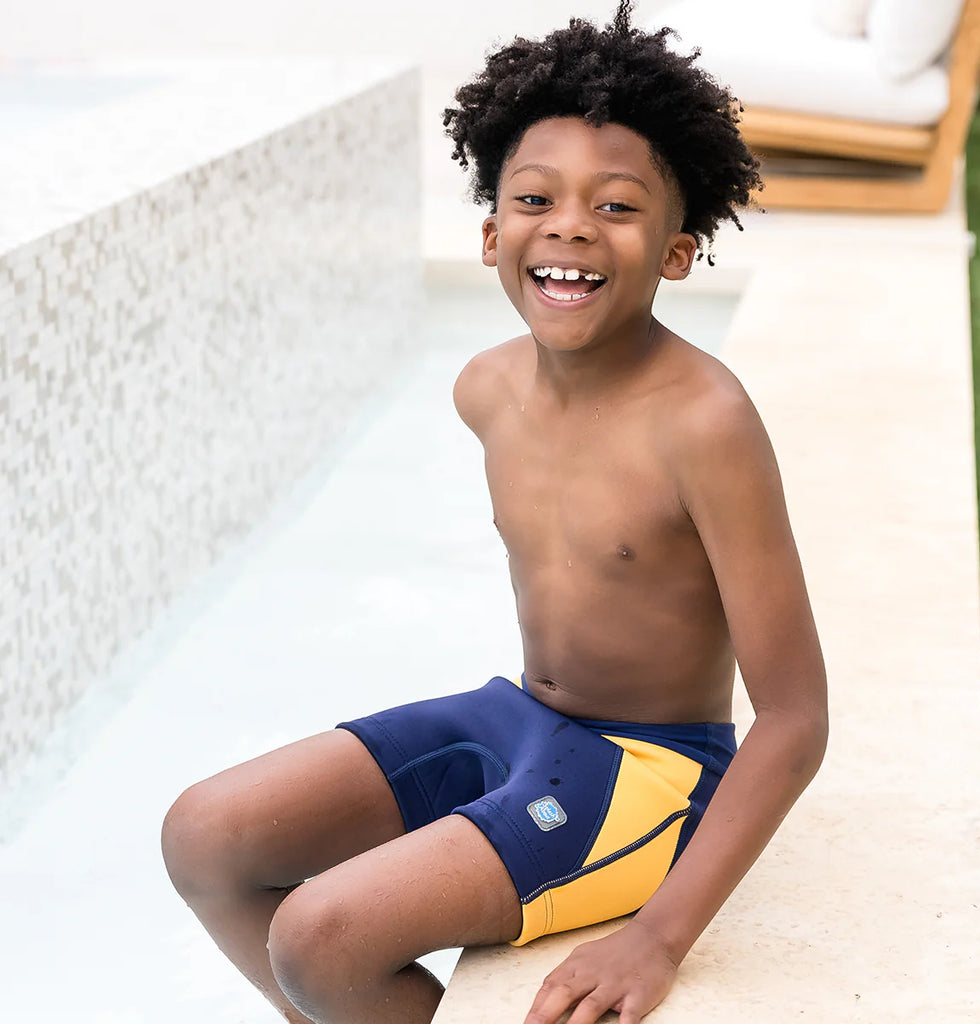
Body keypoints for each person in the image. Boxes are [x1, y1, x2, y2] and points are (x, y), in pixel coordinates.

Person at [160, 3, 828, 1022]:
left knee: (320, 933)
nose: (568, 224)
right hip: (522, 714)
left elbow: (793, 714)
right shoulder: (484, 390)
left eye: (616, 206)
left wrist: (657, 937)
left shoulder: (704, 423)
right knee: (205, 835)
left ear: (678, 252)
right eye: (535, 197)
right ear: (490, 234)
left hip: (650, 772)